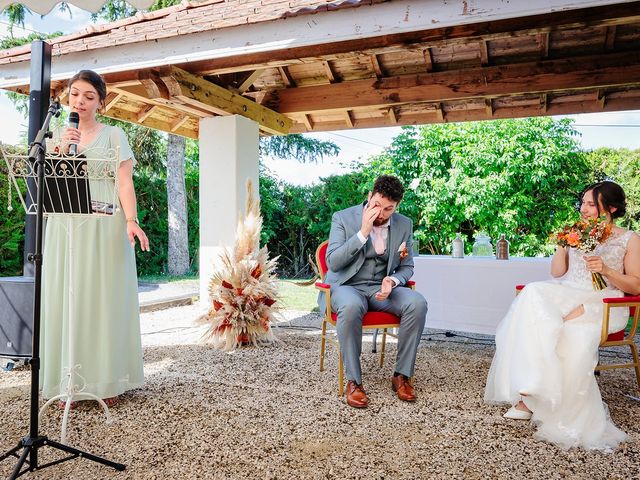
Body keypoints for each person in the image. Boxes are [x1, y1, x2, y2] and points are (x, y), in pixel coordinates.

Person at [484, 181, 640, 451]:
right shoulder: (578, 232)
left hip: (604, 303)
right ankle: (530, 391)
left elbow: (636, 285)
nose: (584, 208)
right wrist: (562, 244)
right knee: (532, 295)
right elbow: (557, 273)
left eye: (592, 204)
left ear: (612, 208)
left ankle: (544, 404)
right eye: (583, 202)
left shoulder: (629, 239)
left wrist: (606, 270)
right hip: (569, 292)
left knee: (571, 332)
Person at [41, 70, 150, 408]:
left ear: (101, 102)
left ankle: (107, 378)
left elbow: (124, 183)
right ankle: (67, 381)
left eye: (89, 97)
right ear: (67, 98)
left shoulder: (115, 135)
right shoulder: (55, 134)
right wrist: (59, 150)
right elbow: (45, 182)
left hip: (104, 226)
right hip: (64, 224)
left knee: (102, 300)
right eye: (75, 95)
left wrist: (131, 221)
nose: (80, 102)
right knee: (67, 299)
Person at [319, 175, 427, 408]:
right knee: (351, 306)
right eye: (377, 205)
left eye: (389, 209)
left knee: (417, 303)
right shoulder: (343, 218)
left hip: (382, 289)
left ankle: (401, 375)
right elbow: (334, 262)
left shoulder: (404, 224)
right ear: (369, 197)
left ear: (396, 206)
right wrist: (363, 232)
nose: (382, 213)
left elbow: (407, 266)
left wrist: (394, 281)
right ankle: (354, 382)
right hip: (347, 286)